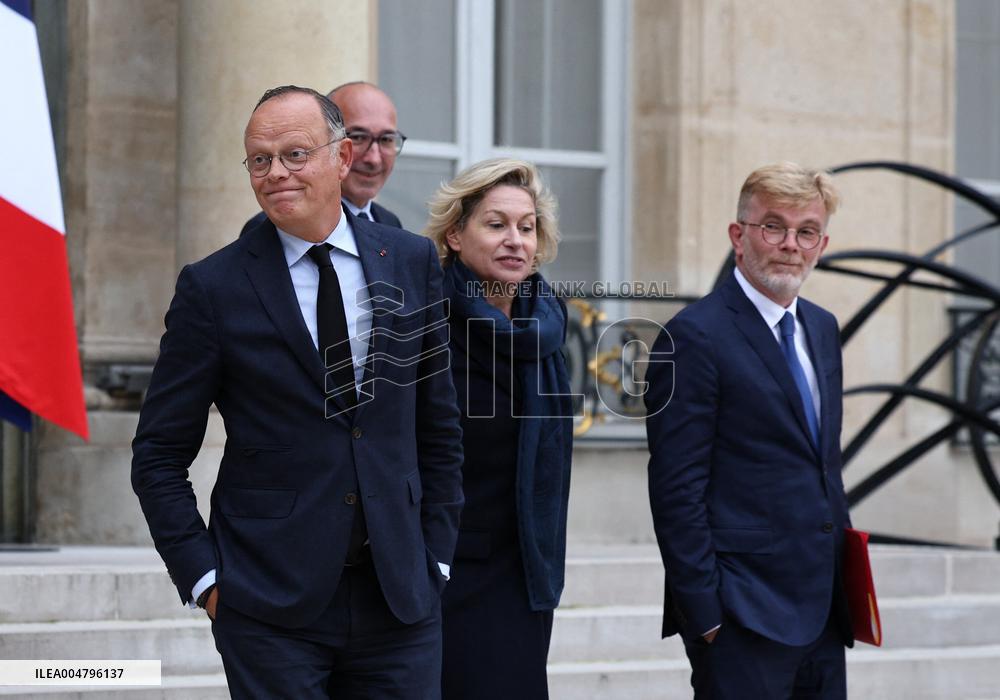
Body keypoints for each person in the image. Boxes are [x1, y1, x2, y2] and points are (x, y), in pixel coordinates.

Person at [132, 85, 463, 699]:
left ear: (341, 158)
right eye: (260, 159)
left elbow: (438, 426)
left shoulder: (412, 261)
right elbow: (157, 454)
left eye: (295, 154)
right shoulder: (213, 287)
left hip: (401, 598)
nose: (275, 173)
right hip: (267, 603)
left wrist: (435, 556)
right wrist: (204, 578)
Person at [645, 162, 853, 699]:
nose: (790, 244)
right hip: (742, 616)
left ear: (822, 243)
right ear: (739, 235)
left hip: (824, 611)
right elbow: (676, 488)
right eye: (773, 226)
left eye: (806, 231)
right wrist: (707, 614)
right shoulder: (692, 336)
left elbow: (820, 465)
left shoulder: (823, 328)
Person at [423, 158, 574, 700]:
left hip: (526, 570)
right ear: (456, 236)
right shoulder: (427, 321)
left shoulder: (551, 325)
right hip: (441, 573)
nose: (515, 240)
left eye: (526, 227)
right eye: (496, 224)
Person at [240, 81, 404, 236]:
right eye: (359, 137)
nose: (374, 159)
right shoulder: (265, 230)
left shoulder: (389, 223)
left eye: (386, 139)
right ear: (341, 153)